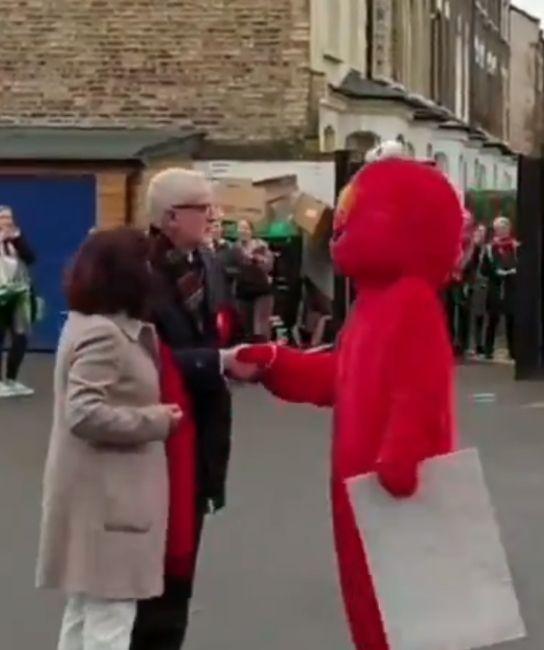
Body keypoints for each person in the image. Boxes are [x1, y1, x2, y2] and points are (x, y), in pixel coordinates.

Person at [235, 158, 463, 650]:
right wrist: (275, 361)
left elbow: (419, 392)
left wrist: (400, 457)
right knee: (370, 609)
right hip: (358, 485)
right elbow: (342, 375)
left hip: (388, 485)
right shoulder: (371, 304)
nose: (340, 230)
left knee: (403, 616)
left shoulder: (411, 301)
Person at [37, 227, 184, 650]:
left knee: (84, 612)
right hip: (109, 501)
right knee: (110, 622)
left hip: (95, 499)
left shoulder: (88, 325)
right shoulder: (106, 335)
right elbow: (83, 412)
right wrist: (154, 420)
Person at [137, 168, 259, 650]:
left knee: (183, 569)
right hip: (154, 439)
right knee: (151, 574)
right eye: (203, 208)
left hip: (202, 436)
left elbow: (219, 329)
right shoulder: (136, 272)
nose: (214, 216)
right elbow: (141, 360)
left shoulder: (208, 263)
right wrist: (218, 361)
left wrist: (237, 356)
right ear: (170, 217)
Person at [0, 205, 37, 397]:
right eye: (3, 218)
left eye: (9, 218)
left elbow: (31, 258)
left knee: (20, 338)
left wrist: (17, 239)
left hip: (18, 295)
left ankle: (12, 379)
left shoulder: (16, 240)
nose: (7, 222)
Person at [230, 220, 275, 342]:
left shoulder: (261, 246)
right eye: (240, 228)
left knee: (260, 328)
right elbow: (232, 267)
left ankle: (265, 355)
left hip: (261, 290)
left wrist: (257, 260)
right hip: (243, 291)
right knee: (246, 329)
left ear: (251, 231)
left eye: (245, 228)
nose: (242, 231)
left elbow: (269, 266)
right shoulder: (234, 249)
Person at [481, 216, 518, 360]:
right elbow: (484, 269)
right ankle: (488, 349)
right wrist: (495, 272)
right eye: (498, 228)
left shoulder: (514, 246)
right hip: (496, 286)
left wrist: (513, 271)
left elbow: (520, 263)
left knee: (512, 319)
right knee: (493, 319)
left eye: (504, 228)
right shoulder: (490, 248)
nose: (501, 231)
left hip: (511, 286)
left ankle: (513, 350)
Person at [465, 223, 489, 356]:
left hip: (482, 284)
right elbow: (467, 266)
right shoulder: (470, 249)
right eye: (478, 232)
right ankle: (471, 344)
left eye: (483, 232)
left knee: (481, 315)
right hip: (471, 283)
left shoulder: (486, 249)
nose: (480, 235)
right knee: (471, 315)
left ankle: (480, 344)